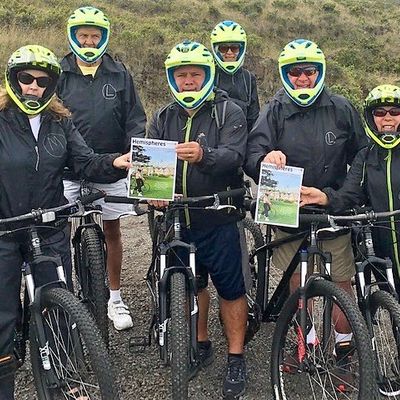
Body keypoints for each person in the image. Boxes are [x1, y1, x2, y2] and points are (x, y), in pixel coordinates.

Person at [0, 45, 131, 400]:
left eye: (42, 81)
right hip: (5, 229)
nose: (33, 86)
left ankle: (62, 380)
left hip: (49, 227)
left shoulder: (61, 123)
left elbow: (85, 162)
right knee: (3, 317)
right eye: (26, 78)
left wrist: (114, 163)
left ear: (52, 86)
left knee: (59, 310)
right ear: (13, 79)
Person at [244, 38, 368, 389]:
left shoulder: (342, 108)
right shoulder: (275, 109)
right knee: (298, 280)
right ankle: (305, 338)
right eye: (294, 72)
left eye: (308, 71)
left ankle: (344, 350)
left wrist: (336, 198)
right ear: (285, 74)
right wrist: (264, 159)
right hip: (289, 212)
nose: (302, 78)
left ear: (320, 72)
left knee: (341, 282)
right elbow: (252, 152)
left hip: (331, 209)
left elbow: (362, 155)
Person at [147, 39, 248, 399]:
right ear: (172, 78)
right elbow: (151, 161)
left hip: (219, 217)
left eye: (195, 74)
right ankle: (201, 343)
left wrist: (205, 156)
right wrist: (153, 191)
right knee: (195, 285)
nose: (189, 81)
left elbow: (236, 156)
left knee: (231, 290)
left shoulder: (229, 112)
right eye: (182, 75)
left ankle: (236, 356)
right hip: (177, 219)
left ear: (208, 75)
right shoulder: (162, 116)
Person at [58, 6, 147, 331]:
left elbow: (135, 118)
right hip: (69, 171)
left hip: (113, 166)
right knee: (59, 233)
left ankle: (115, 297)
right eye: (83, 35)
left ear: (104, 37)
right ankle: (64, 297)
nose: (89, 41)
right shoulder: (59, 73)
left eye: (95, 36)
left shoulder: (119, 73)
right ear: (73, 36)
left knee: (112, 231)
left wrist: (133, 151)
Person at [301, 84, 400, 297]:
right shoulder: (365, 156)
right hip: (383, 246)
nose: (388, 118)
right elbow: (349, 194)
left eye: (395, 111)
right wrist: (325, 197)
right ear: (370, 118)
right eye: (380, 113)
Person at [210, 20, 260, 132]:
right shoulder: (210, 75)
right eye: (223, 48)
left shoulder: (248, 78)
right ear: (216, 50)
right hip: (214, 137)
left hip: (242, 137)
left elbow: (254, 118)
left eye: (234, 48)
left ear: (241, 49)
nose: (229, 53)